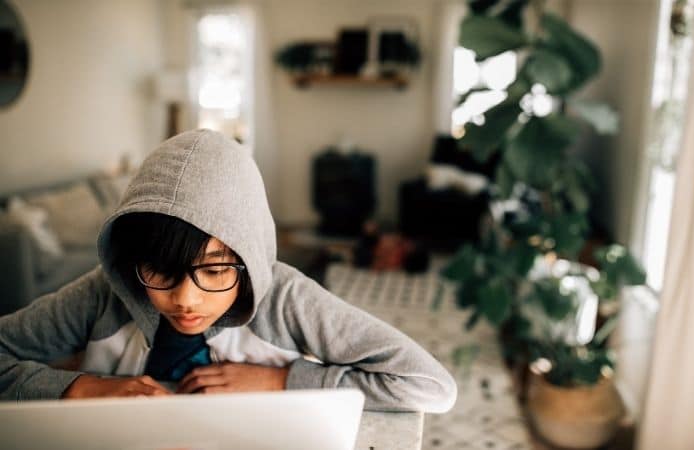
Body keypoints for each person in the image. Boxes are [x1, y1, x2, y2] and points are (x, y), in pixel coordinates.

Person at [0, 129, 456, 412]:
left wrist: (282, 380)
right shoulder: (104, 293)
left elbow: (430, 386)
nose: (185, 299)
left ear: (248, 256)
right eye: (159, 269)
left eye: (214, 271)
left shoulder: (287, 300)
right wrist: (79, 388)